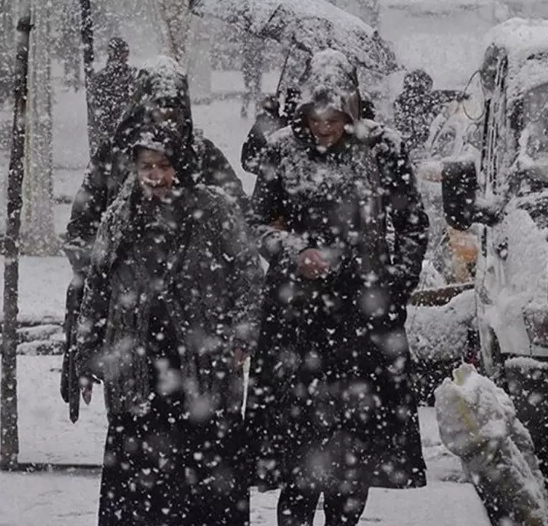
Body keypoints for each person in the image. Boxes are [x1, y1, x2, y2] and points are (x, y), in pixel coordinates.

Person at [246, 49, 430, 526]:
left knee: (355, 454)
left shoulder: (382, 147)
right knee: (297, 455)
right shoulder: (282, 149)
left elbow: (412, 224)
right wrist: (292, 250)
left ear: (351, 107)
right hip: (295, 321)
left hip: (362, 322)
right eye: (315, 116)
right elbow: (257, 223)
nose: (324, 126)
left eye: (334, 116)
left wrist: (393, 287)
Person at [72, 122, 263, 526]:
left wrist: (243, 332)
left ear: (183, 166)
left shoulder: (214, 210)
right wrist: (86, 355)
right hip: (137, 365)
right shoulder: (120, 215)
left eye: (163, 165)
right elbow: (97, 286)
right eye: (146, 166)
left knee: (205, 482)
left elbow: (248, 272)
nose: (155, 176)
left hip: (203, 367)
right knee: (139, 488)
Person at [60, 56, 247, 414]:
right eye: (158, 108)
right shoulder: (114, 157)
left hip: (197, 318)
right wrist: (114, 268)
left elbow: (241, 224)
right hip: (131, 319)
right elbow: (80, 230)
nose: (167, 118)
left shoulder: (204, 156)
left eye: (175, 109)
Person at [89, 37, 138, 154]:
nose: (126, 55)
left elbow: (95, 108)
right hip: (123, 132)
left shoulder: (99, 78)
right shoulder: (133, 75)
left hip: (114, 132)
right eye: (123, 52)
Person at [393, 69, 438, 154]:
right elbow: (440, 95)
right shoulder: (422, 99)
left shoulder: (399, 100)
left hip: (404, 141)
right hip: (416, 141)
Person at [241, 37, 266, 119]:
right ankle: (253, 108)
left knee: (251, 88)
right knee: (254, 89)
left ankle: (247, 108)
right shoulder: (258, 42)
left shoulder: (248, 43)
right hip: (252, 68)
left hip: (251, 68)